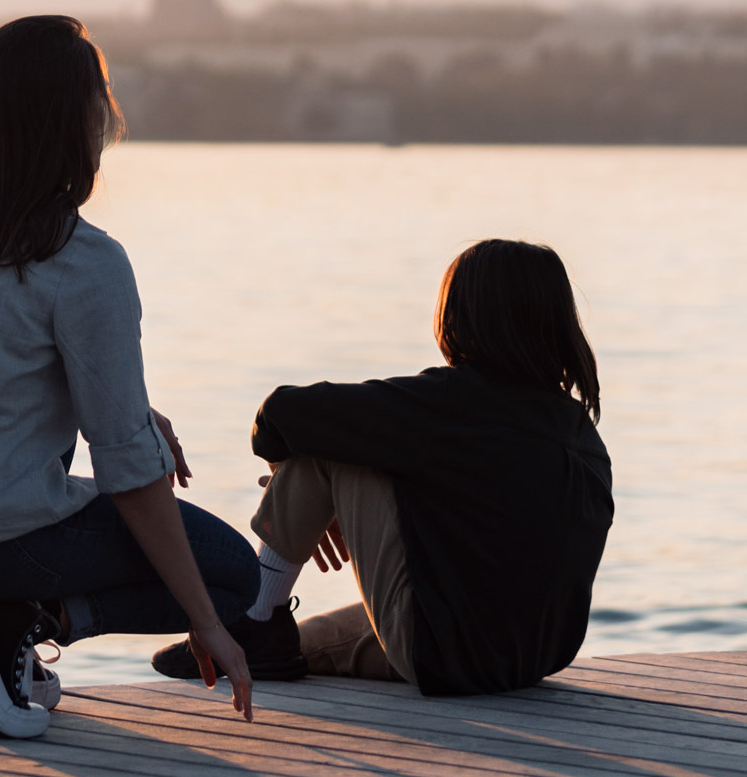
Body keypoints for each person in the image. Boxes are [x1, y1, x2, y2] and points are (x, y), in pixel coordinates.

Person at [0, 15, 275, 739]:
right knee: (232, 576)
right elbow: (131, 471)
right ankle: (13, 620)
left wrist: (131, 409)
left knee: (111, 480)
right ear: (77, 117)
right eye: (99, 95)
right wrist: (208, 625)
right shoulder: (82, 261)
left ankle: (6, 640)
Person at [150, 239, 613, 696]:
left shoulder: (448, 405)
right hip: (531, 659)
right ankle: (251, 644)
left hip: (442, 654)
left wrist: (294, 478)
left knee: (329, 437)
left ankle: (256, 618)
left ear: (461, 315)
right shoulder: (581, 434)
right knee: (312, 643)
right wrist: (318, 502)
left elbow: (281, 413)